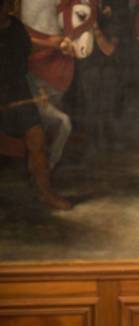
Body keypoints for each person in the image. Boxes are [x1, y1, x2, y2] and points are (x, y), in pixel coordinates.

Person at [0, 0, 71, 210]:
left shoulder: (15, 26)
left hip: (20, 93)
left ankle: (45, 193)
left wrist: (54, 43)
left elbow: (27, 53)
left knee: (37, 141)